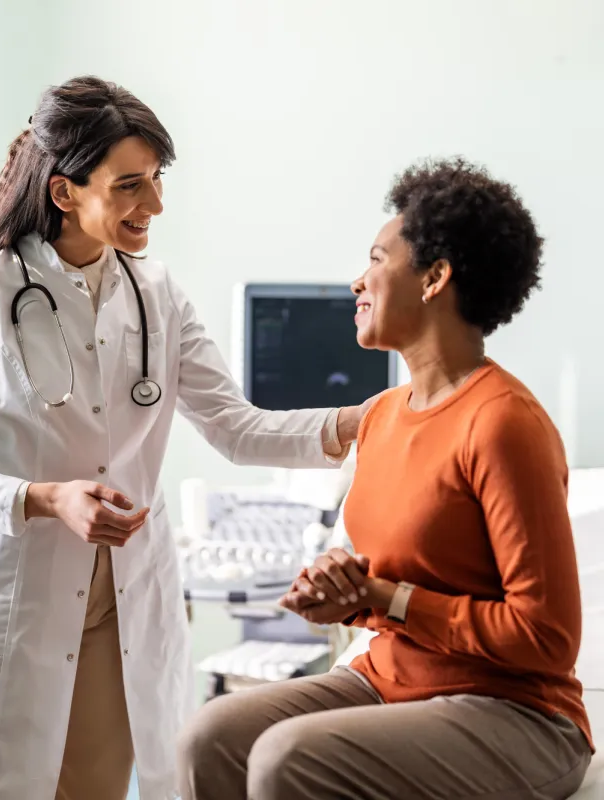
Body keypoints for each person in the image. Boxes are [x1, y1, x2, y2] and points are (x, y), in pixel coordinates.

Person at [0, 75, 372, 800]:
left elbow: (238, 430)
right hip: (14, 606)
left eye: (156, 180)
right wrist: (47, 498)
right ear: (64, 192)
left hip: (120, 609)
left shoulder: (158, 294)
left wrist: (369, 420)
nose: (154, 205)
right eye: (129, 186)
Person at [177, 157, 594, 800]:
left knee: (287, 759)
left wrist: (385, 598)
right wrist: (343, 587)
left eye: (376, 259)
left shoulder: (504, 424)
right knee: (209, 738)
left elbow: (547, 639)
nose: (356, 281)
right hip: (391, 678)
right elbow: (395, 568)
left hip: (515, 710)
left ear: (435, 278)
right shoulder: (382, 418)